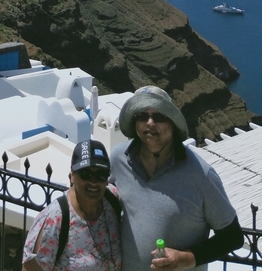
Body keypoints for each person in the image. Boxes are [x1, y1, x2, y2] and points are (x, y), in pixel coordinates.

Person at [109, 87, 243, 271]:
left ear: (172, 123)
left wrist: (185, 259)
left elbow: (233, 237)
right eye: (142, 116)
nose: (150, 123)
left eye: (159, 117)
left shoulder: (200, 175)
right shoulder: (118, 159)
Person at [23, 140, 122, 271]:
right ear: (72, 176)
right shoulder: (55, 219)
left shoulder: (112, 200)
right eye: (86, 174)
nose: (93, 181)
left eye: (101, 174)